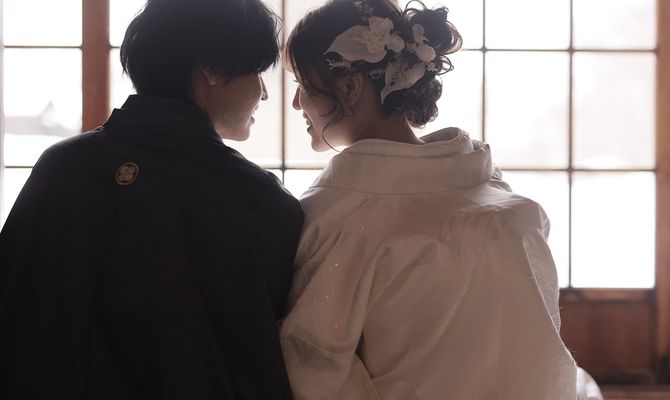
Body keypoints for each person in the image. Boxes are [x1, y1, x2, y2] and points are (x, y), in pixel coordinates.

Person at [279, 0, 601, 399]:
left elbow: (314, 361)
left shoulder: (338, 216)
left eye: (303, 85)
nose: (297, 103)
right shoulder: (512, 208)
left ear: (349, 88)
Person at [0, 0, 302, 398]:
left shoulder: (60, 168)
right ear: (211, 68)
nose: (263, 93)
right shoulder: (258, 200)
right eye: (257, 72)